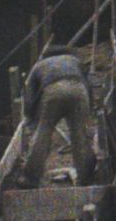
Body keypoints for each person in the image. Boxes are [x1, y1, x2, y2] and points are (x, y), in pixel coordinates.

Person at [20, 44, 96, 186]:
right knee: (80, 134)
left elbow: (29, 96)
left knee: (43, 134)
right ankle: (86, 178)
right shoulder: (75, 61)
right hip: (79, 89)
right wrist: (90, 109)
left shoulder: (39, 65)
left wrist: (30, 116)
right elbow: (89, 85)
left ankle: (31, 178)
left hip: (53, 90)